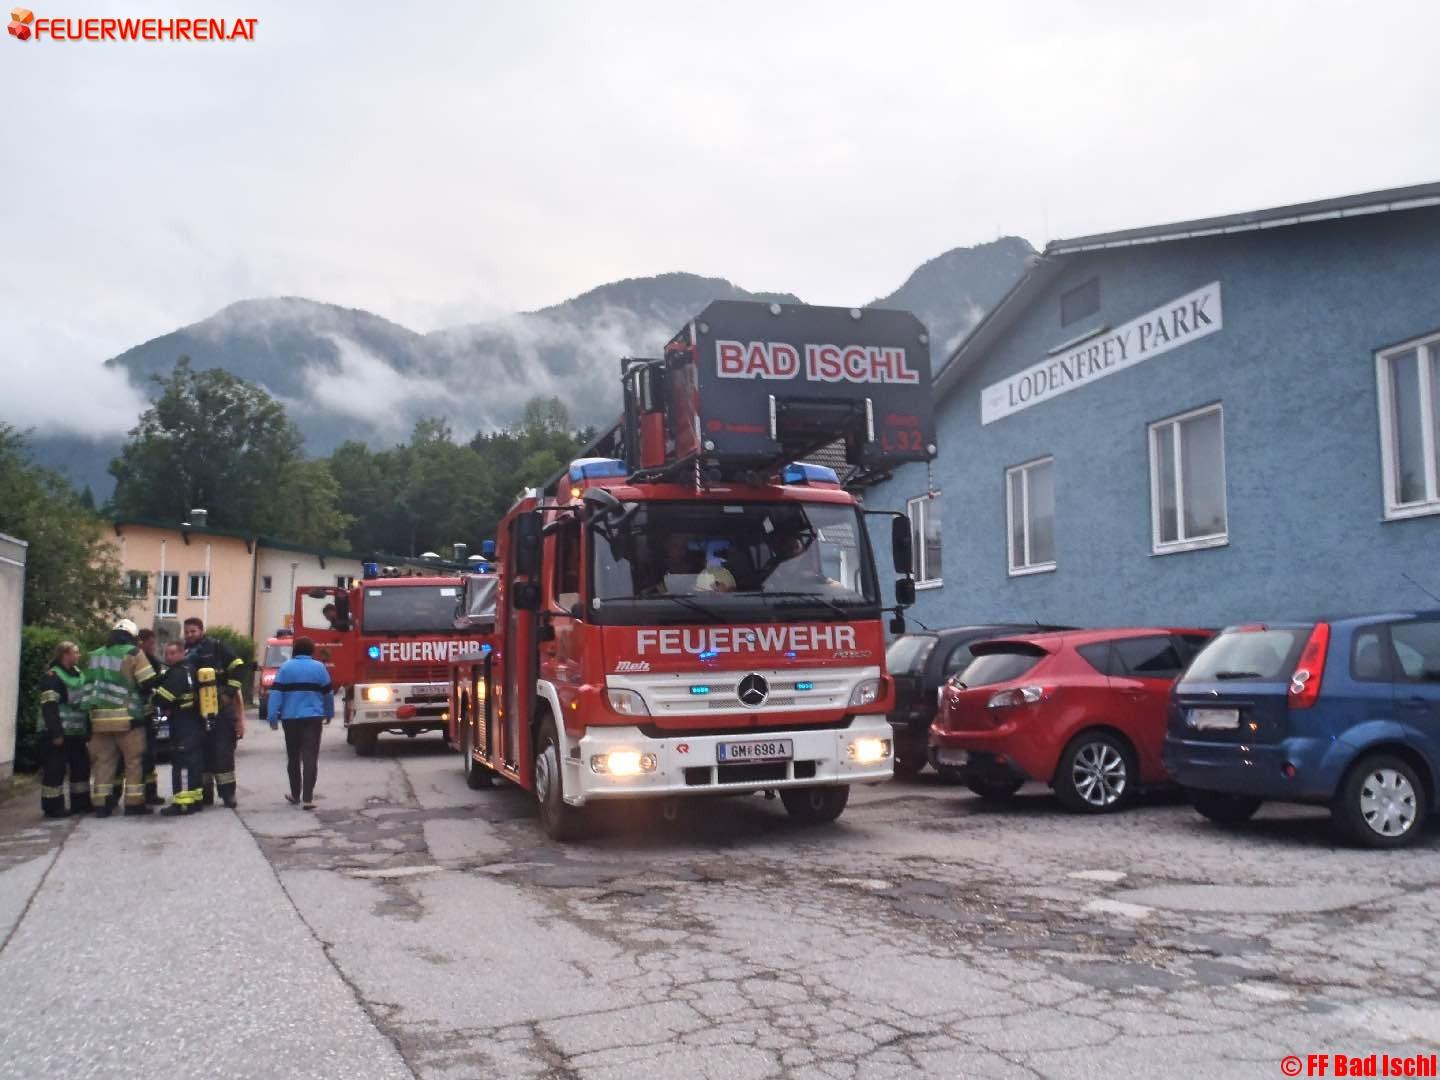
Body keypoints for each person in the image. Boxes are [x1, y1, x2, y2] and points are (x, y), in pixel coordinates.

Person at [84, 618, 159, 817]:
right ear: (133, 637)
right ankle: (134, 804)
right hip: (128, 720)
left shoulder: (95, 655)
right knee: (133, 761)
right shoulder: (134, 653)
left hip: (98, 720)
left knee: (103, 762)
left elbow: (87, 686)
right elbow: (147, 683)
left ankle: (101, 804)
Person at [183, 617, 245, 809]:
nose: (190, 635)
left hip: (220, 707)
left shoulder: (217, 647)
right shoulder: (184, 652)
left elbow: (238, 667)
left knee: (223, 751)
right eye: (187, 632)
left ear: (202, 631)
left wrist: (228, 693)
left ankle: (228, 795)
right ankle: (205, 794)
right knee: (200, 752)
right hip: (195, 710)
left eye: (193, 631)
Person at [266, 636, 332, 810]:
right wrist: (329, 713)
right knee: (310, 757)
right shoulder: (320, 668)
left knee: (294, 757)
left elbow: (276, 693)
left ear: (295, 650)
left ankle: (295, 794)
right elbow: (328, 693)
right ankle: (308, 798)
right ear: (311, 651)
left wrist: (272, 716)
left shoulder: (285, 668)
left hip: (291, 719)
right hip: (313, 718)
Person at [36, 641, 91, 818]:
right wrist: (56, 733)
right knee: (55, 770)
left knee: (81, 768)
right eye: (75, 652)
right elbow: (49, 707)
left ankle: (81, 803)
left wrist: (87, 729)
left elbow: (84, 704)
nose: (79, 655)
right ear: (65, 655)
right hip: (56, 734)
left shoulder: (80, 675)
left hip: (76, 733)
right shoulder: (52, 677)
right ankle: (52, 807)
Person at [152, 641, 205, 817]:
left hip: (182, 723)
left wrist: (154, 696)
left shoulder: (176, 673)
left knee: (181, 764)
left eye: (173, 653)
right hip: (194, 722)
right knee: (194, 763)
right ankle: (196, 800)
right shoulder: (191, 669)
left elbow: (163, 698)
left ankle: (182, 803)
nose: (169, 657)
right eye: (167, 654)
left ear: (182, 653)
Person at [135, 627, 165, 806]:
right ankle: (142, 795)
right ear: (142, 643)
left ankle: (150, 793)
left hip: (148, 715)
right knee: (141, 757)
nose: (153, 646)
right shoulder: (139, 660)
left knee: (149, 757)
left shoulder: (153, 661)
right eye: (151, 643)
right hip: (138, 716)